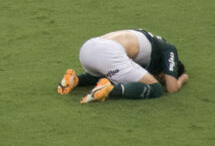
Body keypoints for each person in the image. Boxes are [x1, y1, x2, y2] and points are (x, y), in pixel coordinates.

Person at [58, 29, 189, 103]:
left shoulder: (150, 41)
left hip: (87, 49)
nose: (158, 78)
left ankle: (76, 80)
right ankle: (108, 90)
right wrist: (182, 78)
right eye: (162, 78)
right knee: (156, 89)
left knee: (114, 73)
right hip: (109, 52)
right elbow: (172, 88)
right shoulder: (169, 49)